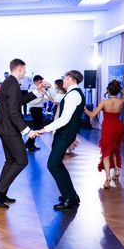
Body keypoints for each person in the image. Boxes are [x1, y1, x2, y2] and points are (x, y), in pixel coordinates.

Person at [0, 59, 40, 209]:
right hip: (9, 129)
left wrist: (37, 91)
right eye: (25, 69)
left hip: (4, 127)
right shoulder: (12, 84)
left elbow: (18, 102)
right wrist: (27, 130)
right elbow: (13, 112)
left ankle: (1, 194)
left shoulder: (10, 82)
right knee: (21, 161)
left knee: (10, 161)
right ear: (20, 68)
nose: (25, 71)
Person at [36, 71, 85, 210]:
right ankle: (71, 195)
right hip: (65, 133)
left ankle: (70, 198)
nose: (63, 80)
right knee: (56, 164)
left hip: (65, 133)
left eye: (64, 78)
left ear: (70, 78)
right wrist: (49, 87)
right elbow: (58, 98)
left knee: (53, 165)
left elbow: (64, 119)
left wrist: (44, 129)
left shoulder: (73, 94)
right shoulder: (72, 93)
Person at [84, 73, 124, 188]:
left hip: (108, 127)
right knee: (115, 149)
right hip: (119, 127)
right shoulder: (121, 101)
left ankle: (108, 177)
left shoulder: (104, 102)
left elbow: (92, 115)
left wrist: (84, 108)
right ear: (118, 91)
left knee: (106, 152)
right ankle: (116, 171)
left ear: (108, 90)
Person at [24, 75, 46, 152]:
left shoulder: (39, 88)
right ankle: (29, 144)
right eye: (40, 82)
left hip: (38, 109)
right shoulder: (32, 88)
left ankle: (30, 144)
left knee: (38, 128)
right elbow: (32, 101)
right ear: (35, 81)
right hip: (35, 109)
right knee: (37, 128)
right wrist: (41, 96)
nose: (41, 83)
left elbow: (41, 100)